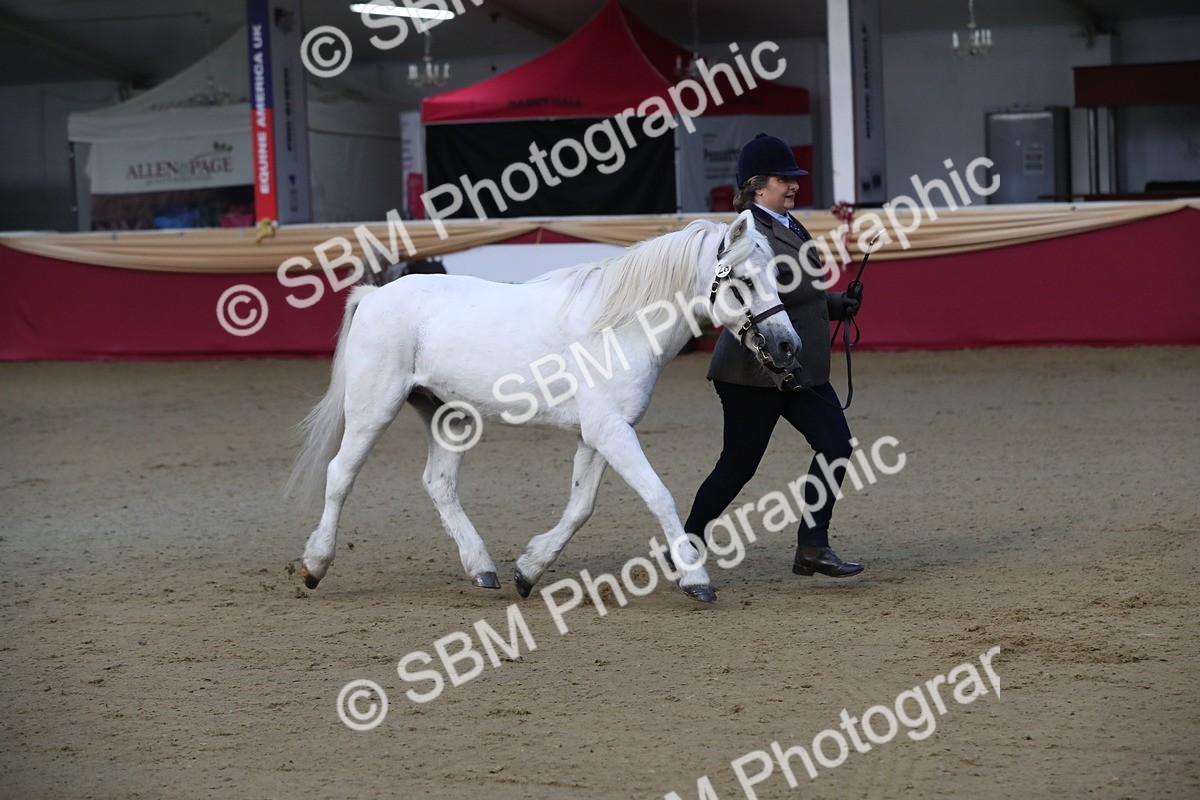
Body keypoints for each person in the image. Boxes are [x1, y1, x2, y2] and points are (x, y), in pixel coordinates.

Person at [683, 133, 864, 579]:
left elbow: (798, 291)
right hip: (753, 370)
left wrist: (838, 304)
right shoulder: (745, 234)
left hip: (799, 367)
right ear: (757, 185)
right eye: (785, 179)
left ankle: (812, 546)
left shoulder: (786, 222)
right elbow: (758, 295)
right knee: (737, 466)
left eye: (794, 178)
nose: (794, 185)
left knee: (836, 445)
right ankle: (686, 543)